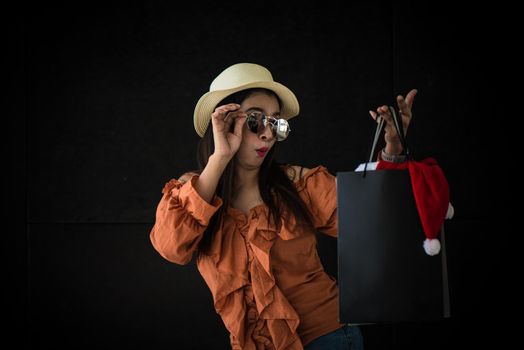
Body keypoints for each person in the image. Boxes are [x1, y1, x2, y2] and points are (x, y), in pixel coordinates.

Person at [150, 62, 417, 350]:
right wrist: (220, 157)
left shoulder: (298, 183)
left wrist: (392, 150)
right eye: (255, 120)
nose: (267, 134)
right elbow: (171, 247)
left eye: (276, 122)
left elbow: (371, 222)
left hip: (328, 338)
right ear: (224, 121)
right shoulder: (191, 194)